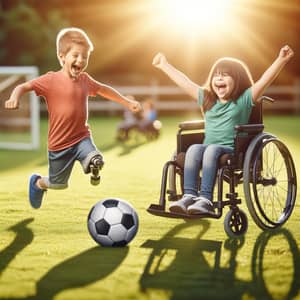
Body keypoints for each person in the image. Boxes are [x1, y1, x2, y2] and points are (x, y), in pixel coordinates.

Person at [4, 27, 141, 209]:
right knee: (58, 184)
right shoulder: (50, 80)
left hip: (81, 138)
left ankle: (93, 164)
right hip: (58, 145)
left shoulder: (85, 80)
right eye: (75, 55)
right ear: (62, 57)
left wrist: (126, 102)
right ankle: (37, 183)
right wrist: (14, 97)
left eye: (85, 57)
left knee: (96, 157)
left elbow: (103, 89)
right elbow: (23, 86)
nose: (80, 60)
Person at [152, 45, 294, 215]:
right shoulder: (208, 99)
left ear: (238, 79)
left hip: (231, 150)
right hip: (208, 149)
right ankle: (189, 196)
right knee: (194, 148)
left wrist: (281, 60)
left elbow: (264, 80)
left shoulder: (244, 100)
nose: (219, 78)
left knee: (210, 150)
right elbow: (185, 83)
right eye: (216, 75)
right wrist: (164, 65)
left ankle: (205, 200)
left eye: (225, 75)